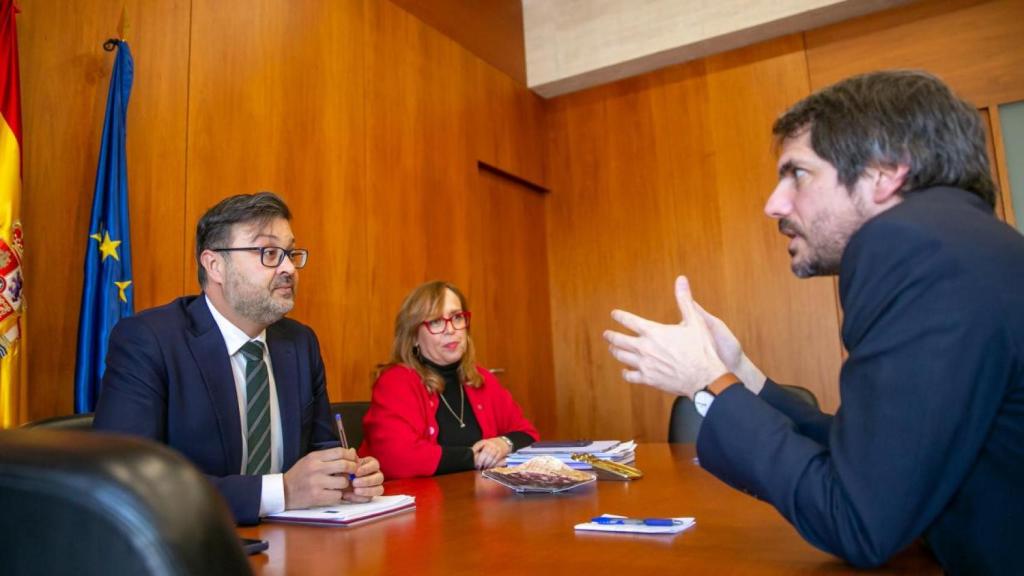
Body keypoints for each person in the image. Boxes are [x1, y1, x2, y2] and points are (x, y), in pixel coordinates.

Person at [604, 71, 1024, 573]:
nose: (774, 203)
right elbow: (880, 463)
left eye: (797, 173)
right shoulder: (967, 243)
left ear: (884, 173)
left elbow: (856, 520)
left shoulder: (910, 247)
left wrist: (705, 385)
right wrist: (743, 376)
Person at [94, 192, 384, 525]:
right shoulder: (149, 341)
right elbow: (126, 482)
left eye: (290, 253)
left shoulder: (300, 343)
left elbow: (322, 449)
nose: (289, 267)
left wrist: (346, 477)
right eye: (270, 253)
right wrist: (283, 491)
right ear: (215, 265)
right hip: (189, 549)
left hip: (295, 544)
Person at [360, 281, 539, 478]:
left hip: (477, 500)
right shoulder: (395, 382)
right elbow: (398, 458)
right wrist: (474, 457)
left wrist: (503, 443)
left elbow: (529, 435)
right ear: (414, 337)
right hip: (419, 504)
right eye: (436, 321)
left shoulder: (481, 379)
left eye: (457, 317)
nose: (450, 329)